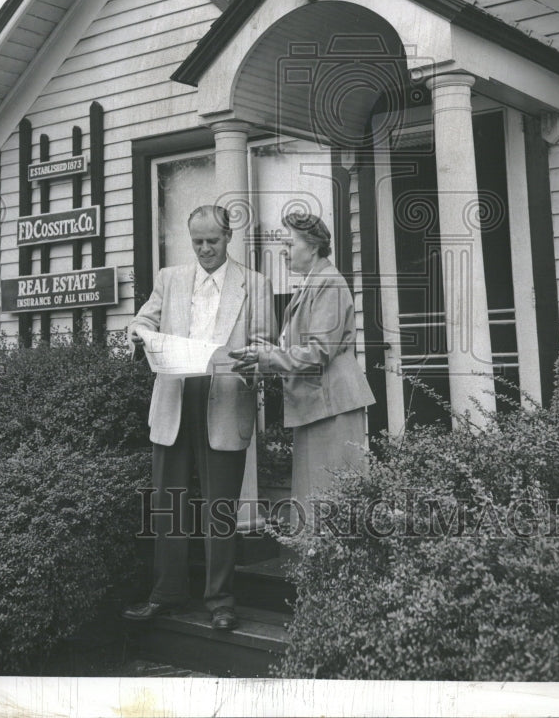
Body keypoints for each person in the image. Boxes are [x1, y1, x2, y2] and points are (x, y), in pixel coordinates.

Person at [122, 204, 276, 631]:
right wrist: (137, 332)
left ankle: (221, 602)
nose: (205, 249)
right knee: (167, 503)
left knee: (220, 508)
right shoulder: (169, 279)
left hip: (225, 397)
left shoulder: (256, 284)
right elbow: (143, 319)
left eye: (212, 240)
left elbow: (266, 345)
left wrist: (253, 361)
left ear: (229, 238)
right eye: (197, 242)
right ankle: (166, 594)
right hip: (175, 396)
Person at [231, 211, 375, 528]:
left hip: (331, 409)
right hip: (317, 406)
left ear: (312, 246)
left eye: (289, 242)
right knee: (317, 504)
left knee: (331, 505)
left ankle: (332, 574)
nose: (284, 250)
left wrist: (266, 356)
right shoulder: (312, 284)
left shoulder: (329, 284)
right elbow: (295, 351)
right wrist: (260, 359)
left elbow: (317, 351)